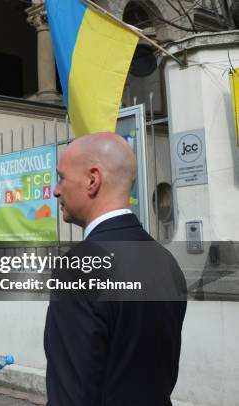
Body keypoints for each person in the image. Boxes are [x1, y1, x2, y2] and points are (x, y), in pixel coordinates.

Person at [44, 132, 187, 405]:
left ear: (92, 180)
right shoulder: (165, 260)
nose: (56, 190)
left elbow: (71, 395)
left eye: (61, 177)